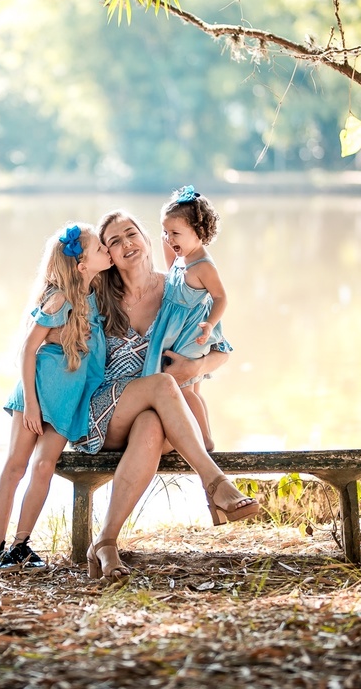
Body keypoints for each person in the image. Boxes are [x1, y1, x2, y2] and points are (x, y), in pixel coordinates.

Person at [69, 210, 260, 580]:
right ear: (106, 254)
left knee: (152, 421)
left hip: (164, 416)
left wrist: (196, 368)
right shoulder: (97, 297)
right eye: (114, 241)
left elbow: (220, 348)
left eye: (131, 234)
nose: (126, 244)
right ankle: (215, 482)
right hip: (103, 415)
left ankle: (105, 542)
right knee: (161, 385)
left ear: (146, 237)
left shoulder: (180, 288)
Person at [0, 223, 112, 571]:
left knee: (44, 467)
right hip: (38, 390)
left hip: (68, 399)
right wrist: (30, 403)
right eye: (99, 247)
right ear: (82, 264)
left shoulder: (93, 295)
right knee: (16, 466)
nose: (107, 250)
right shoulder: (60, 298)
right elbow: (28, 350)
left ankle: (20, 545)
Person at [150, 184, 228, 451]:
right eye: (165, 231)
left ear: (198, 232)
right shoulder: (184, 257)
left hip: (193, 333)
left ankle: (204, 440)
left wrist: (211, 324)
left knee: (184, 387)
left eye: (175, 233)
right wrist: (168, 242)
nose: (170, 238)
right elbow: (172, 271)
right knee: (191, 389)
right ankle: (197, 436)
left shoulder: (202, 265)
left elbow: (221, 297)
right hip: (179, 330)